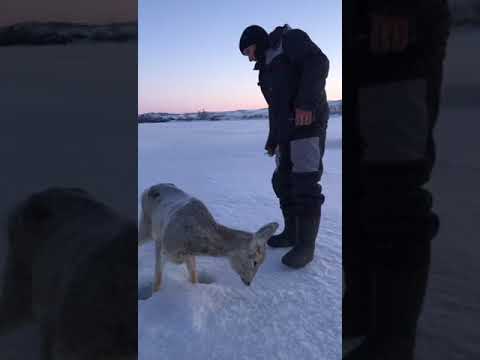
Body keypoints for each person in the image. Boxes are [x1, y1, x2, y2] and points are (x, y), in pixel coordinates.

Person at [342, 1, 451, 359]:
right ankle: (363, 313)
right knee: (357, 191)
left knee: (394, 187)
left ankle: (392, 344)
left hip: (394, 31)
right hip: (358, 34)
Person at [239, 24, 330, 268]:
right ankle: (292, 233)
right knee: (282, 180)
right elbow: (275, 109)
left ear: (257, 41)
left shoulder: (290, 40)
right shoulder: (265, 69)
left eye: (248, 51)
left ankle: (306, 246)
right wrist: (273, 139)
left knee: (305, 183)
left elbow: (318, 63)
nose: (249, 58)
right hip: (286, 130)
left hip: (308, 124)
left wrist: (306, 104)